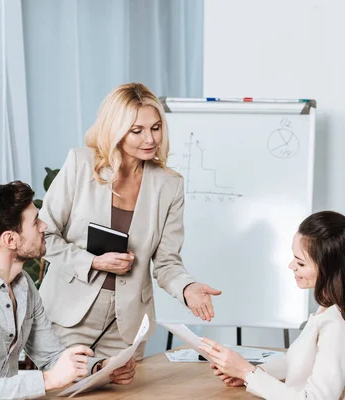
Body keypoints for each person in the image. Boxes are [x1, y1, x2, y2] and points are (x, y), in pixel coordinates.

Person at [38, 82, 221, 359]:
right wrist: (94, 262)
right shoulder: (81, 163)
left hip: (126, 324)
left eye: (156, 128)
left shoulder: (169, 185)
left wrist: (187, 288)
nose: (150, 139)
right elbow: (44, 237)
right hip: (68, 316)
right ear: (116, 129)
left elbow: (167, 261)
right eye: (137, 131)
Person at [0, 181, 136, 400]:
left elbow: (52, 357)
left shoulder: (23, 284)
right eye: (35, 222)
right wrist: (47, 381)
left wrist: (101, 369)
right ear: (10, 239)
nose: (44, 226)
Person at [199, 211, 345, 399]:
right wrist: (251, 374)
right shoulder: (330, 308)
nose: (291, 266)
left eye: (300, 263)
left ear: (329, 270)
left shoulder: (339, 323)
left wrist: (247, 372)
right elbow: (292, 363)